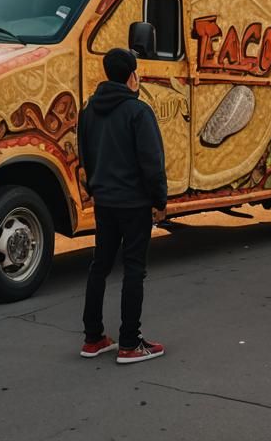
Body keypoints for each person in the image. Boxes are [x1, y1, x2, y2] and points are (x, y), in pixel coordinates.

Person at [78, 47, 167, 365]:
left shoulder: (89, 111)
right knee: (133, 269)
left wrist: (96, 188)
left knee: (99, 266)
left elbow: (84, 156)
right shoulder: (138, 111)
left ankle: (93, 339)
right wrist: (159, 201)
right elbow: (152, 163)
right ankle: (130, 342)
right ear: (132, 75)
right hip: (134, 203)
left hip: (105, 202)